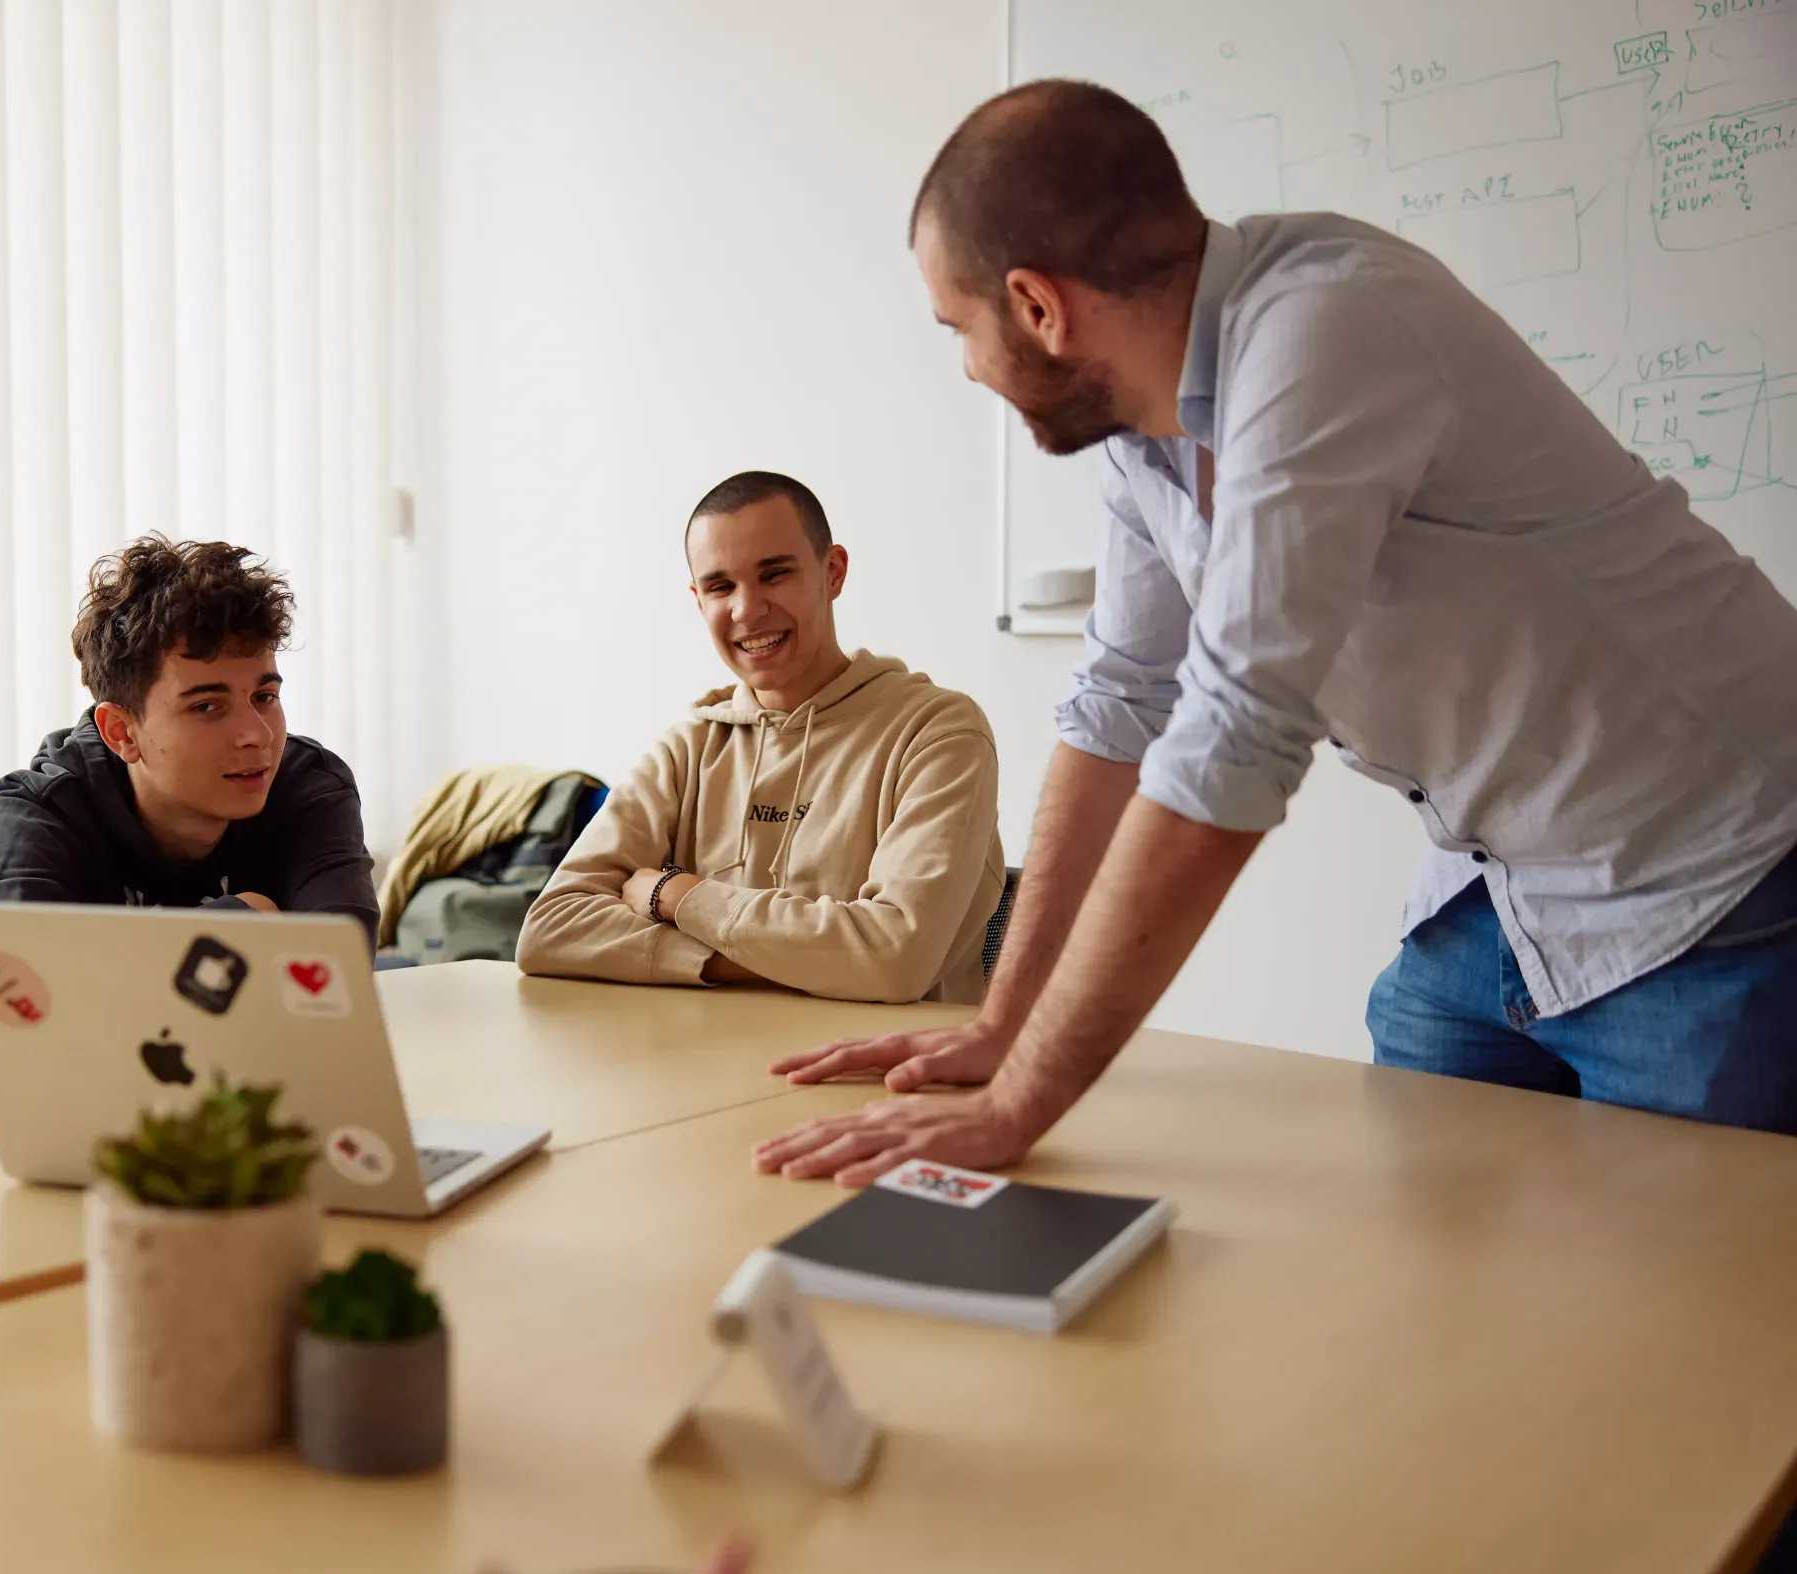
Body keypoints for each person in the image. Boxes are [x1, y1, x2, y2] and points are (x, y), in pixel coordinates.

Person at [756, 78, 1797, 1185]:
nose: (966, 365)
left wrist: (1021, 1104)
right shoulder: (1139, 432)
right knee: (1427, 1255)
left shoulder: (1327, 328)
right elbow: (1118, 702)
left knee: (1681, 1307)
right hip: (1500, 879)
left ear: (1037, 306)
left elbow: (1235, 734)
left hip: (1701, 872)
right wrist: (1003, 1021)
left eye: (958, 329)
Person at [516, 471, 1004, 1003]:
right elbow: (552, 928)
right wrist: (768, 963)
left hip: (888, 1072)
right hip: (704, 1066)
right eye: (720, 586)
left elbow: (894, 959)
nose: (747, 610)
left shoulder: (939, 733)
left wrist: (679, 896)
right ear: (698, 599)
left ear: (833, 572)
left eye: (774, 575)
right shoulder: (689, 748)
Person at [0, 535, 379, 947]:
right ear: (122, 732)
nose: (258, 734)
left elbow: (337, 970)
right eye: (206, 707)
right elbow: (48, 990)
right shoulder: (32, 815)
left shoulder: (308, 785)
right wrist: (243, 916)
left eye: (265, 697)